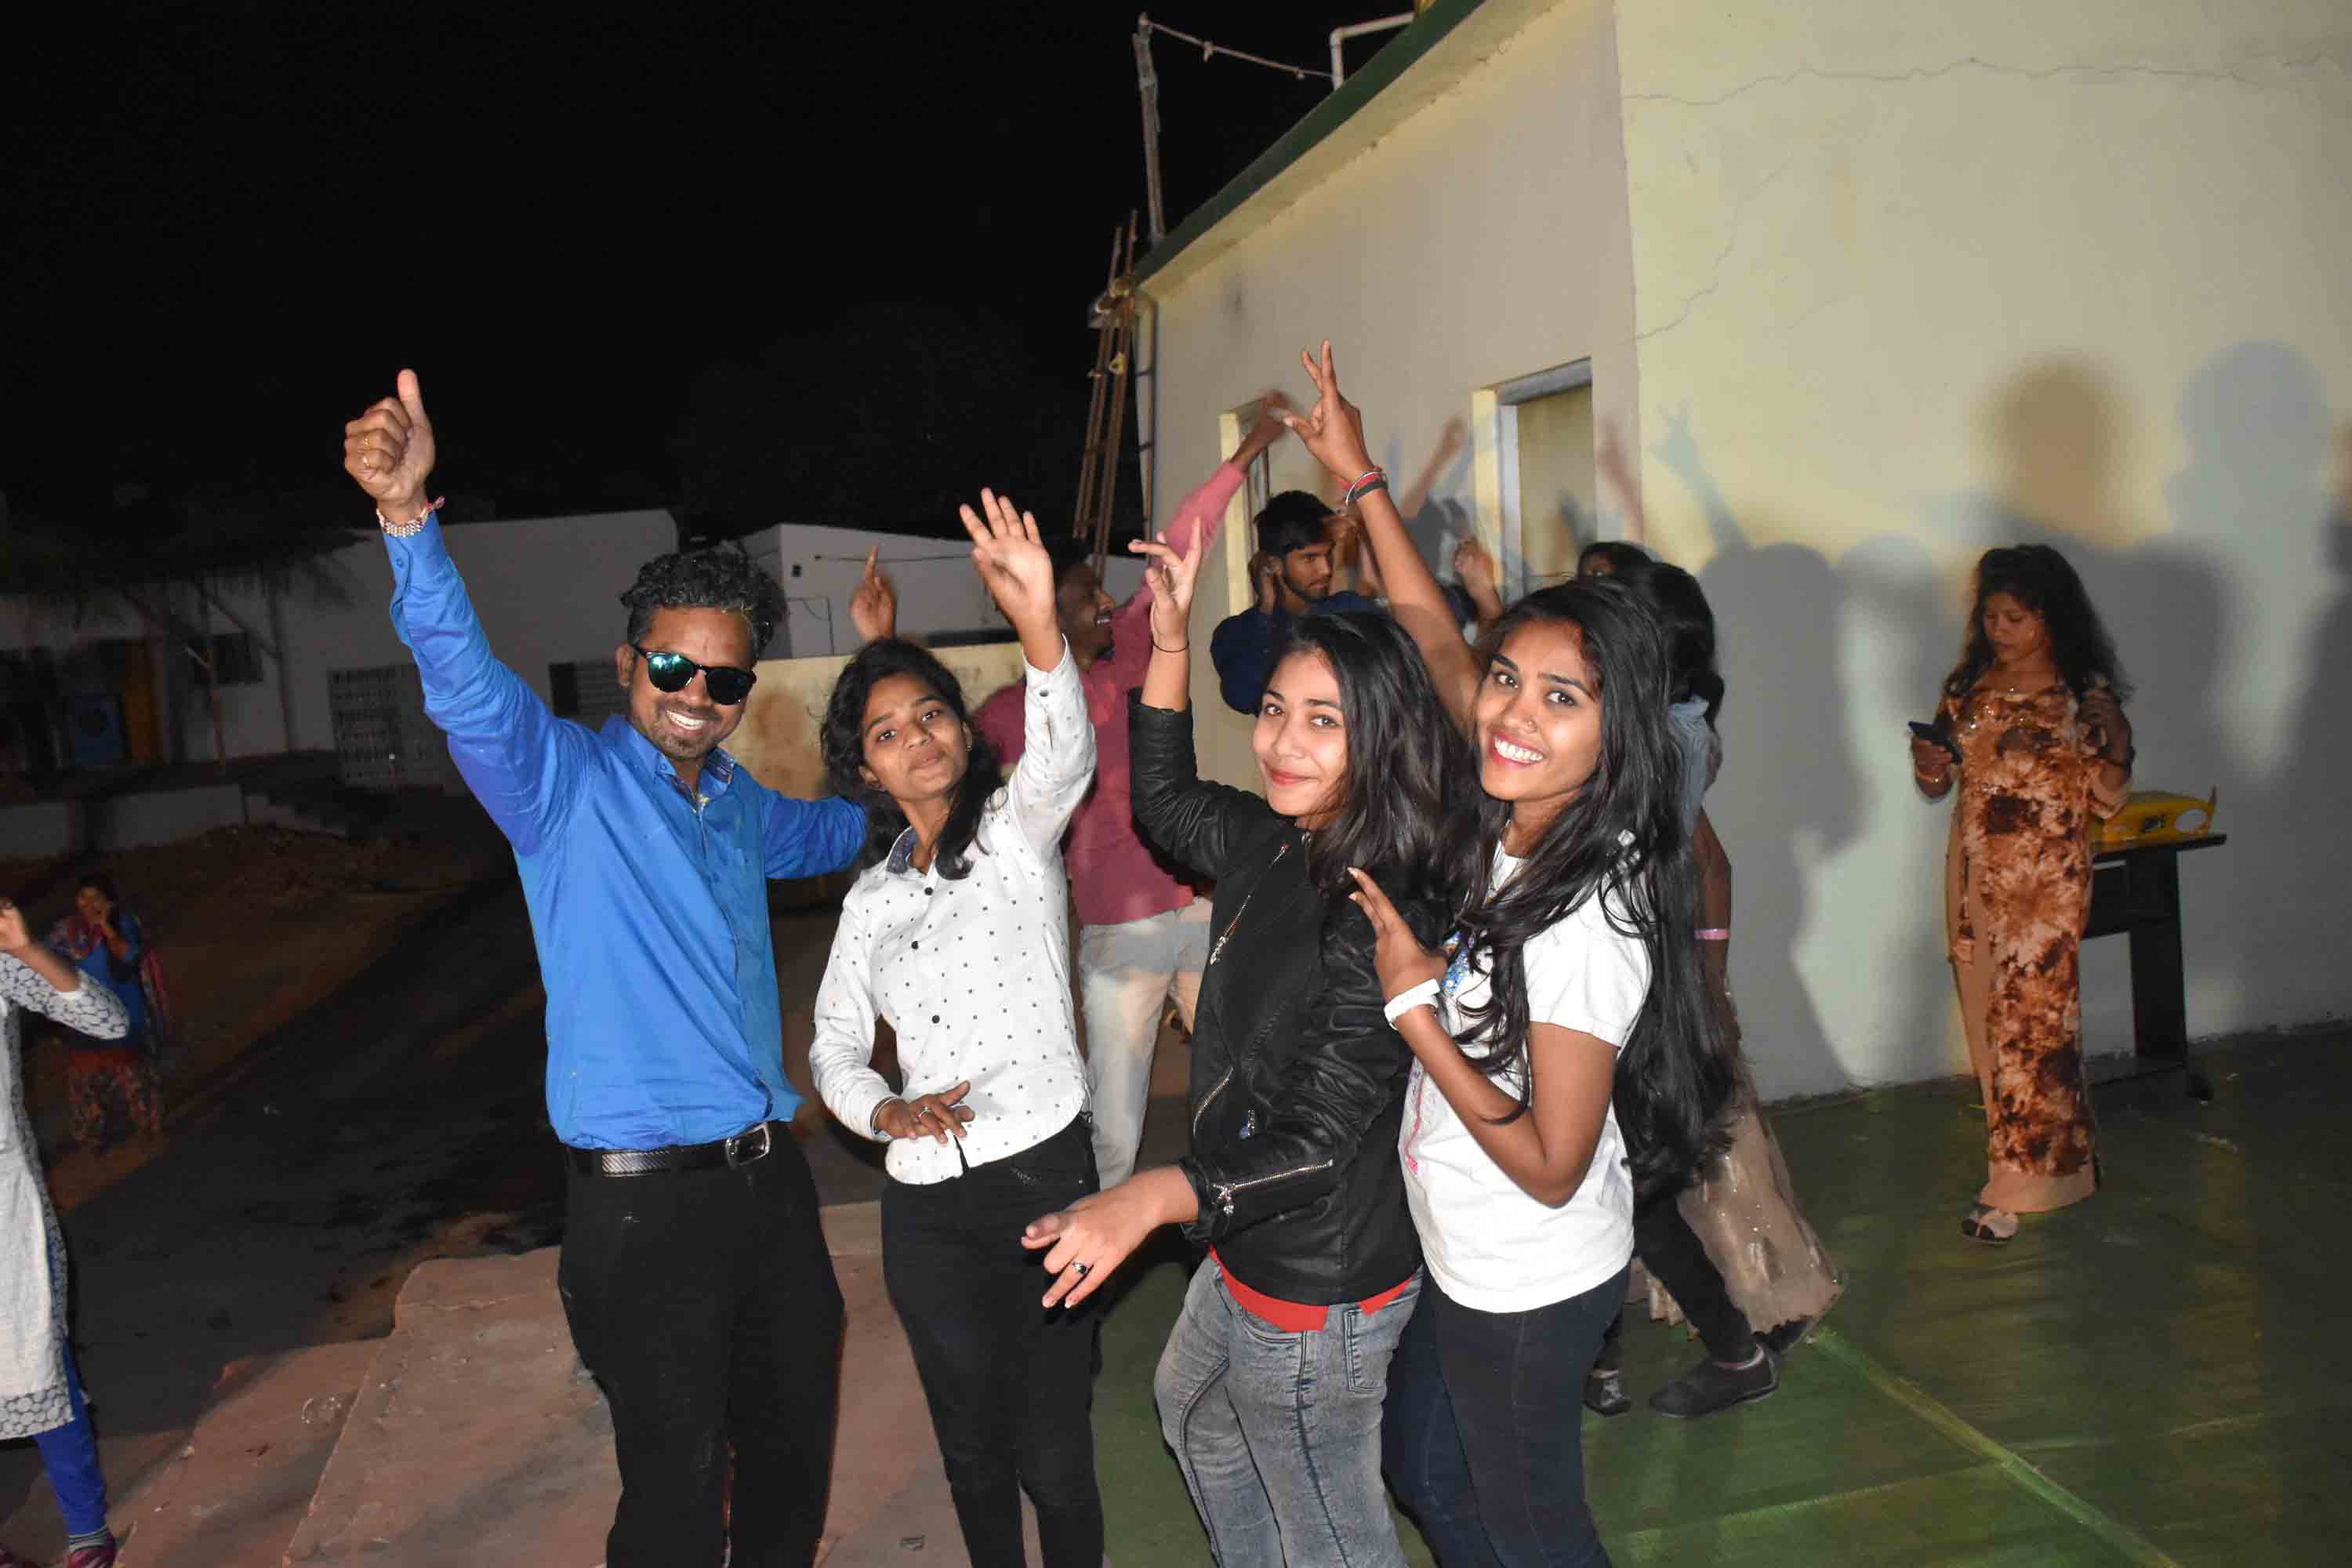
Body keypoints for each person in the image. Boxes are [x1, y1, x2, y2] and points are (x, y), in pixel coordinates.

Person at [342, 370, 895, 1567]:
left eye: (726, 679)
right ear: (627, 661)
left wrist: (907, 740)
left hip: (770, 1184)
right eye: (673, 668)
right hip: (644, 1213)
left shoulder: (739, 806)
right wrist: (406, 521)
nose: (697, 697)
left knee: (794, 1445)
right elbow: (465, 687)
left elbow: (840, 832)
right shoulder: (563, 787)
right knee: (676, 1496)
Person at [1279, 341, 1736, 1566]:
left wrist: (1415, 1012)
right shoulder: (1515, 820)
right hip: (1469, 1250)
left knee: (1535, 1529)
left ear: (1619, 731)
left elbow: (1550, 1162)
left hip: (1527, 1275)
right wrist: (1360, 476)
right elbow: (1436, 637)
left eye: (1561, 700)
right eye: (1508, 683)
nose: (1512, 715)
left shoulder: (1588, 914)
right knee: (1428, 1467)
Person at [1022, 517, 1478, 1567]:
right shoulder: (1279, 837)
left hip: (1319, 1281)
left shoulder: (1384, 911)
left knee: (1332, 1534)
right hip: (1245, 1240)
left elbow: (1317, 1140)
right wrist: (1169, 643)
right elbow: (1166, 802)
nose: (1281, 743)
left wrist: (1152, 1194)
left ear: (1384, 736)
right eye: (1274, 710)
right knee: (1196, 1417)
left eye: (1322, 721)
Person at [807, 490, 1105, 1567]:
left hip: (1042, 1177)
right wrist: (883, 1110)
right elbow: (833, 1044)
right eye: (886, 734)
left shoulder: (1019, 832)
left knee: (1054, 1457)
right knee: (972, 1454)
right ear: (868, 769)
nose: (915, 739)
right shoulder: (871, 900)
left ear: (965, 730)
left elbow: (1065, 751)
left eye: (930, 715)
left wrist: (1038, 623)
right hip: (925, 1212)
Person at [971, 397, 1290, 1191]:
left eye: (1103, 592)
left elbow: (1183, 537)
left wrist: (1245, 451)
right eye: (1087, 596)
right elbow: (942, 765)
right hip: (1118, 936)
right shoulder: (1017, 709)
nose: (1107, 602)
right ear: (1042, 609)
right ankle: (1090, 1247)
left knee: (1247, 1087)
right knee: (1113, 1125)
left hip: (1197, 909)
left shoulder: (1139, 649)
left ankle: (1245, 1220)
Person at [1588, 561, 1842, 1417]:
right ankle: (1699, 1340)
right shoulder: (1659, 728)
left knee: (1672, 1168)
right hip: (1650, 970)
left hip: (1653, 976)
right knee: (1644, 1172)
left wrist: (1706, 973)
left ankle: (1744, 1327)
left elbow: (1702, 863)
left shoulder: (1664, 737)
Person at [1912, 544, 2131, 1244]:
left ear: (2051, 616)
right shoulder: (1967, 687)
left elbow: (2108, 795)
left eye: (2017, 617)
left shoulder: (2078, 693)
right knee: (1990, 1023)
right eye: (1992, 616)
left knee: (2032, 1028)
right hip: (1975, 873)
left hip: (2045, 883)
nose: (2001, 630)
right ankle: (2063, 1165)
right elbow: (1938, 784)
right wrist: (1928, 764)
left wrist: (2118, 740)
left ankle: (2015, 1187)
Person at [0, 895, 131, 1568]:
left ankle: (86, 1531)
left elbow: (109, 1021)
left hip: (6, 1214)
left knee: (39, 1366)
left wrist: (26, 951)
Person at [1207, 488, 1385, 715]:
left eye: (1328, 554)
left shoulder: (1348, 609)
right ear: (1274, 564)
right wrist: (1265, 611)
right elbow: (1244, 697)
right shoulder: (1237, 632)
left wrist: (1363, 534)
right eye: (1310, 558)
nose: (1326, 569)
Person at [47, 875, 167, 1149]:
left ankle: (150, 1130)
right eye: (83, 897)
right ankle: (93, 1136)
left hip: (124, 1015)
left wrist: (106, 927)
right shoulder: (67, 931)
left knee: (134, 1077)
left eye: (96, 898)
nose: (89, 904)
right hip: (85, 1019)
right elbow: (46, 963)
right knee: (85, 1082)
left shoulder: (124, 924)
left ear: (109, 901)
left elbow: (128, 956)